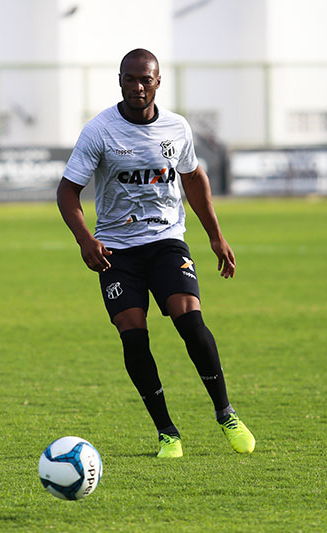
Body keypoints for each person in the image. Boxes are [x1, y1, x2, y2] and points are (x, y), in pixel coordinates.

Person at [56, 48, 255, 458]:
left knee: (190, 320)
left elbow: (193, 178)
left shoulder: (176, 128)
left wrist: (216, 236)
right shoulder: (99, 131)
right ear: (120, 81)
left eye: (145, 79)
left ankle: (226, 414)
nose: (138, 87)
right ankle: (167, 433)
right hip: (116, 249)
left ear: (158, 82)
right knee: (133, 333)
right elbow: (67, 190)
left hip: (166, 240)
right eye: (130, 79)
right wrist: (84, 239)